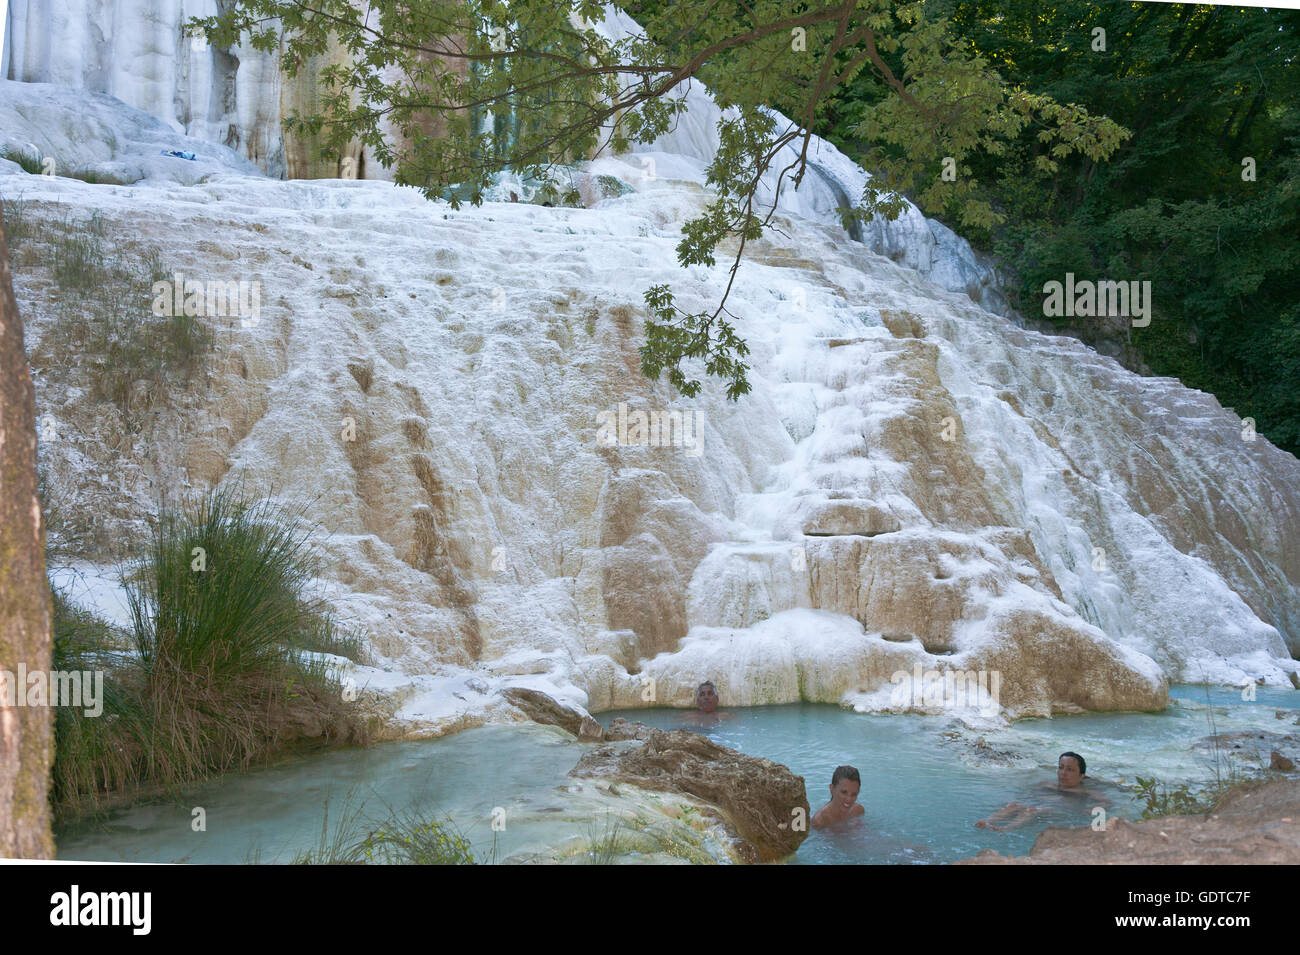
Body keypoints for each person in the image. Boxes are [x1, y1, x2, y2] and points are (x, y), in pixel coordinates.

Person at [975, 752, 1104, 831]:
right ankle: (986, 821)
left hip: (1061, 812)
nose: (1063, 773)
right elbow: (1026, 794)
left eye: (1070, 770)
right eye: (1061, 768)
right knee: (1013, 805)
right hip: (1041, 806)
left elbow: (1104, 803)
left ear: (1081, 776)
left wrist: (1087, 811)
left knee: (1032, 810)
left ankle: (1004, 829)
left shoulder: (1086, 792)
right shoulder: (1048, 784)